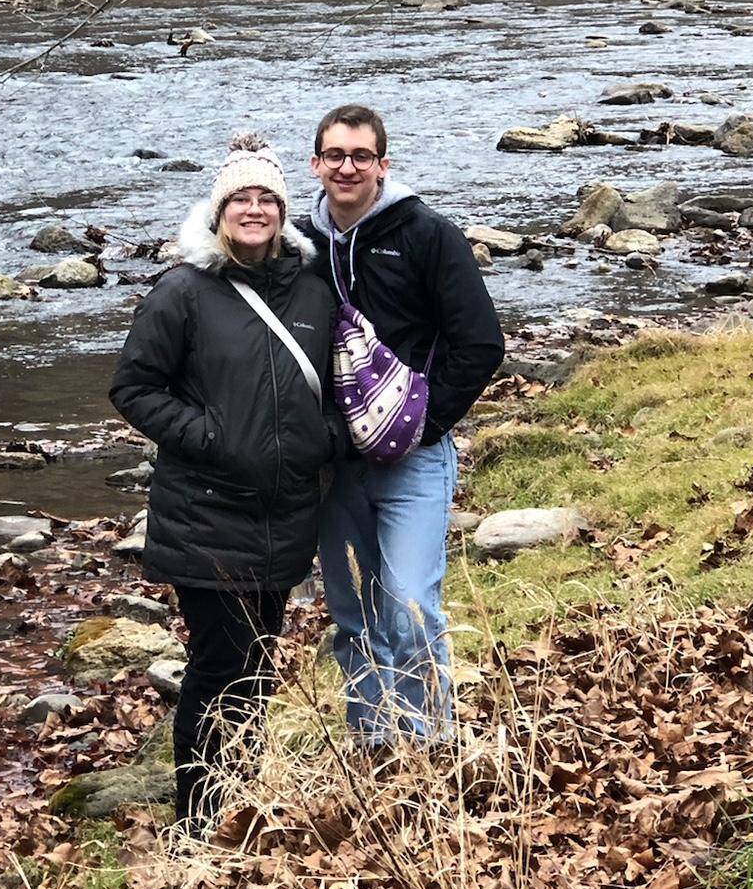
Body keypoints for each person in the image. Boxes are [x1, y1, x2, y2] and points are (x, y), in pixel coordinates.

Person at [110, 132, 344, 831]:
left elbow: (340, 376)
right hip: (206, 513)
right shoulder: (183, 292)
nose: (253, 209)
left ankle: (239, 798)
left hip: (287, 511)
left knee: (258, 666)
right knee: (220, 666)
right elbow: (134, 388)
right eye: (239, 198)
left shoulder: (313, 286)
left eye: (266, 198)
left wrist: (326, 438)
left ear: (282, 210)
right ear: (218, 212)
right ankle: (200, 818)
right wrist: (211, 436)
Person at [299, 104, 505, 749]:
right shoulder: (299, 247)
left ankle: (428, 744)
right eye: (336, 155)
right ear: (317, 164)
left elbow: (480, 344)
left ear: (384, 165)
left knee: (410, 605)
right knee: (353, 614)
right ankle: (373, 743)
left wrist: (423, 423)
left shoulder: (427, 235)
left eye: (362, 156)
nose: (348, 167)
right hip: (333, 464)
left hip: (414, 459)